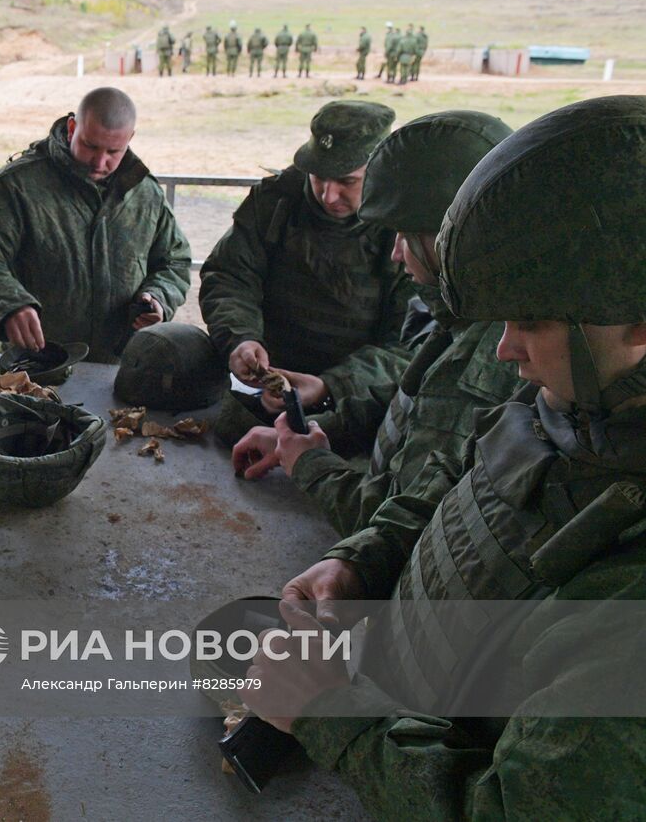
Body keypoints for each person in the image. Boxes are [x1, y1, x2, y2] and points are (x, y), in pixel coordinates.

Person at [242, 94, 646, 820]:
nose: (504, 348)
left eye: (531, 321)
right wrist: (367, 557)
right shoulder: (585, 400)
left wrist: (331, 713)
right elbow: (472, 481)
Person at [231, 111, 520, 538]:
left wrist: (311, 461)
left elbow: (397, 525)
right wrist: (308, 434)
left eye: (407, 237)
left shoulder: (491, 351)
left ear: (451, 238)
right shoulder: (463, 314)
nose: (396, 253)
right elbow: (411, 400)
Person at [199, 100, 412, 444]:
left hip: (359, 400)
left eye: (347, 181)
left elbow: (410, 345)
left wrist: (332, 385)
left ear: (381, 170)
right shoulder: (277, 199)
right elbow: (230, 275)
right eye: (318, 177)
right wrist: (241, 338)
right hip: (268, 385)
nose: (329, 196)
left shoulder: (407, 227)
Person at [0, 86, 192, 364]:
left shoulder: (144, 192)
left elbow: (174, 260)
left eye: (113, 151)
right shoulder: (19, 185)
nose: (100, 162)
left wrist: (158, 298)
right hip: (37, 368)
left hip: (121, 370)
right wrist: (8, 304)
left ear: (130, 139)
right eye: (90, 145)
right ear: (71, 128)